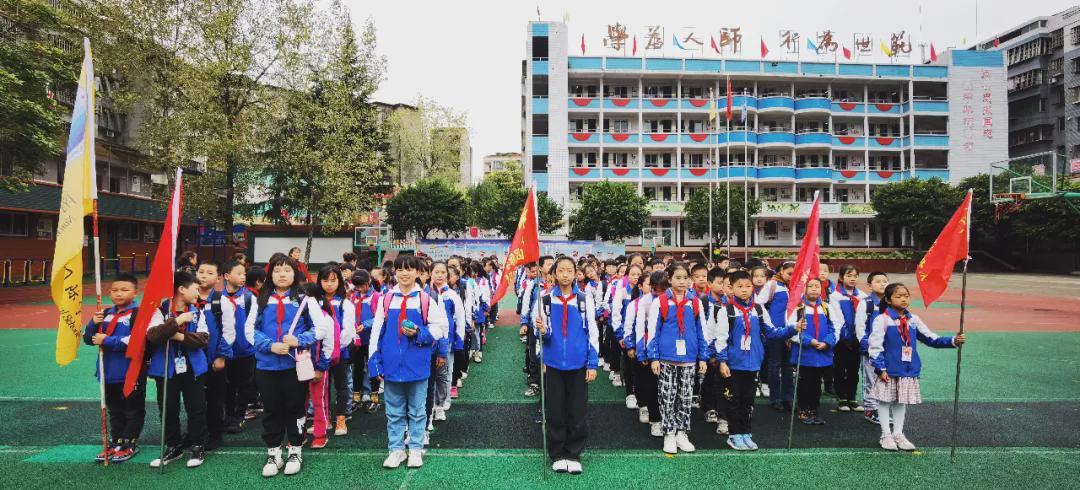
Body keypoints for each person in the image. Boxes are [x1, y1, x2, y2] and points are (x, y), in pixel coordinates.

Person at [369, 255, 449, 470]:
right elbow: (377, 331)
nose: (404, 273)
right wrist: (375, 362)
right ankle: (395, 450)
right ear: (394, 272)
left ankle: (415, 449)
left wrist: (419, 332)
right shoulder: (386, 299)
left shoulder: (425, 299)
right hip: (392, 365)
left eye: (409, 269)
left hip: (418, 365)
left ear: (418, 272)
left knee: (417, 410)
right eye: (400, 269)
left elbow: (439, 328)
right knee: (393, 411)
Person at [253, 255, 331, 477]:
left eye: (287, 269)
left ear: (295, 273)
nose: (282, 274)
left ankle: (295, 450)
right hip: (266, 365)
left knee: (295, 408)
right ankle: (273, 453)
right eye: (277, 270)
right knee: (271, 409)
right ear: (270, 274)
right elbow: (250, 330)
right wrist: (270, 346)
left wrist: (300, 341)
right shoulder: (260, 299)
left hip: (295, 366)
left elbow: (321, 329)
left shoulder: (306, 299)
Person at [868, 283, 966, 451]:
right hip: (889, 369)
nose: (903, 299)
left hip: (907, 368)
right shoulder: (882, 320)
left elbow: (931, 338)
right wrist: (880, 368)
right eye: (898, 296)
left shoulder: (913, 319)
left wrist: (952, 341)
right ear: (888, 300)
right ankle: (886, 435)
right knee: (884, 401)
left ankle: (898, 434)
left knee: (901, 402)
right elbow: (875, 346)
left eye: (906, 296)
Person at [711, 270, 801, 450]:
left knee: (748, 401)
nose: (744, 290)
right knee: (733, 401)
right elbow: (720, 339)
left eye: (748, 286)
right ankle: (734, 434)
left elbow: (773, 332)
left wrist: (793, 328)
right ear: (732, 288)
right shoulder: (726, 311)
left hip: (752, 364)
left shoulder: (758, 310)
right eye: (739, 287)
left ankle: (746, 433)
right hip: (733, 365)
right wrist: (722, 361)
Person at [532, 256, 599, 475]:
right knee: (555, 410)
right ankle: (558, 453)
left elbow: (592, 332)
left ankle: (573, 453)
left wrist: (592, 363)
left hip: (578, 364)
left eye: (569, 271)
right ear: (553, 274)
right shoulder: (545, 299)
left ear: (575, 273)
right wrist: (541, 331)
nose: (565, 275)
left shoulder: (583, 298)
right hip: (553, 364)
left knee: (577, 410)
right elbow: (541, 334)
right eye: (560, 271)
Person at [147, 271, 211, 469]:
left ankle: (198, 445)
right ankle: (173, 446)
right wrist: (178, 321)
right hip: (166, 368)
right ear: (182, 289)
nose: (198, 293)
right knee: (168, 408)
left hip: (192, 368)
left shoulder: (198, 310)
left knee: (196, 408)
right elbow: (153, 335)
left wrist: (177, 336)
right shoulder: (159, 309)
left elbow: (203, 339)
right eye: (195, 289)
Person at [645, 264, 708, 455]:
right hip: (667, 358)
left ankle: (682, 432)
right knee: (667, 396)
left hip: (689, 359)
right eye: (678, 277)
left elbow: (701, 331)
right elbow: (653, 331)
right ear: (669, 279)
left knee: (686, 397)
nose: (682, 281)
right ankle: (669, 432)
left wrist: (703, 357)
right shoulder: (661, 302)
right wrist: (653, 357)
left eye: (685, 277)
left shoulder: (695, 302)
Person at [83, 273, 145, 463]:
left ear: (135, 293)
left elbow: (136, 342)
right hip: (108, 373)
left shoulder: (138, 314)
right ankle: (116, 441)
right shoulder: (106, 313)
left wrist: (108, 341)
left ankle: (129, 443)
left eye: (124, 290)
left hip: (130, 373)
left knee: (132, 409)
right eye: (115, 290)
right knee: (114, 409)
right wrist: (93, 324)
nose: (119, 294)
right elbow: (89, 339)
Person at [308, 266, 354, 448]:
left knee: (342, 386)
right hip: (318, 354)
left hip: (340, 353)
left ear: (339, 282)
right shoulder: (313, 303)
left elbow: (348, 331)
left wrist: (334, 348)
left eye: (333, 280)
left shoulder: (345, 303)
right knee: (321, 388)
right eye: (325, 280)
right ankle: (323, 419)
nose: (329, 284)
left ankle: (341, 418)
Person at [787, 277, 843, 425]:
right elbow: (792, 330)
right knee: (805, 383)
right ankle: (804, 409)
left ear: (822, 289)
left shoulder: (827, 308)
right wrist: (809, 341)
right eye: (810, 286)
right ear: (804, 289)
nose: (813, 289)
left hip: (823, 352)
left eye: (817, 286)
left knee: (817, 383)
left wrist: (828, 342)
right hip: (805, 354)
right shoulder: (798, 308)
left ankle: (814, 409)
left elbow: (836, 327)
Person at [221, 261, 257, 433]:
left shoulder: (249, 297)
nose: (243, 277)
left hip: (245, 351)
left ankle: (240, 415)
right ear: (227, 276)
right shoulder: (217, 297)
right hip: (224, 351)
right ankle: (228, 414)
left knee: (244, 385)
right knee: (227, 385)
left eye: (244, 274)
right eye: (239, 273)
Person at [831, 265, 869, 412]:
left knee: (854, 369)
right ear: (841, 278)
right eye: (849, 275)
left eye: (855, 275)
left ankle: (852, 397)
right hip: (842, 339)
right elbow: (838, 319)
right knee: (840, 368)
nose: (852, 278)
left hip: (857, 338)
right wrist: (845, 337)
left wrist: (860, 337)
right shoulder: (835, 296)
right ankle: (842, 398)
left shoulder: (862, 296)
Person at [430, 262, 465, 421]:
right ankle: (429, 404)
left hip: (447, 339)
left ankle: (443, 403)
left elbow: (460, 319)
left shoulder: (452, 295)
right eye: (436, 272)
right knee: (430, 374)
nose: (439, 275)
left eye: (442, 272)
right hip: (429, 341)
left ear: (447, 276)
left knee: (445, 373)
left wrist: (460, 340)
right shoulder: (425, 293)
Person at [758, 261, 795, 412]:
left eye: (794, 274)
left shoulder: (796, 287)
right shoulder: (772, 285)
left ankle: (788, 398)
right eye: (789, 274)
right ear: (781, 271)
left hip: (792, 332)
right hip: (775, 332)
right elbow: (758, 303)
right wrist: (769, 323)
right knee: (774, 365)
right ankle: (776, 398)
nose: (792, 277)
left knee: (788, 366)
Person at [856, 272, 889, 423]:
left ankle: (881, 409)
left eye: (885, 281)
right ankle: (870, 410)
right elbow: (860, 327)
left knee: (885, 378)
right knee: (870, 379)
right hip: (870, 348)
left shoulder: (891, 302)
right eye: (878, 281)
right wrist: (865, 345)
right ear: (869, 285)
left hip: (888, 348)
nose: (882, 284)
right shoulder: (867, 303)